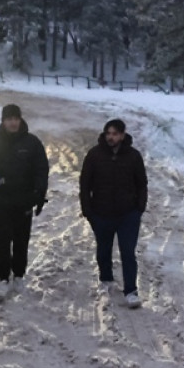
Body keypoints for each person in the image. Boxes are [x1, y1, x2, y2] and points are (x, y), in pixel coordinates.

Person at [0, 103, 49, 300]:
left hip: (24, 201)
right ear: (3, 121)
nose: (13, 122)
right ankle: (3, 278)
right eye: (9, 119)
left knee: (22, 239)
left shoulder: (32, 143)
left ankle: (19, 276)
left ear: (20, 120)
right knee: (2, 239)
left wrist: (38, 194)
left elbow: (42, 169)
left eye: (16, 118)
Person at [79, 118, 149, 309]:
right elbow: (85, 184)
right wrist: (88, 210)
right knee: (103, 249)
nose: (111, 137)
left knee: (128, 252)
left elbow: (142, 183)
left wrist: (139, 207)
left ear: (123, 135)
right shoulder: (94, 155)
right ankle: (106, 280)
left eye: (115, 134)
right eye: (108, 133)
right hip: (101, 212)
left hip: (128, 214)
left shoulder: (133, 156)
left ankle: (131, 291)